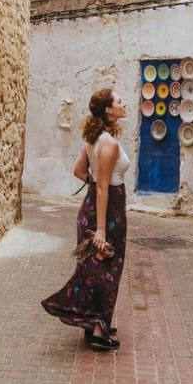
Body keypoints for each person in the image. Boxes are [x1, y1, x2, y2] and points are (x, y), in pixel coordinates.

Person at [41, 88, 129, 350]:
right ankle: (100, 333)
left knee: (94, 268)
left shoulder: (94, 140)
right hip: (107, 209)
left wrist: (93, 185)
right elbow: (104, 187)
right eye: (118, 101)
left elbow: (79, 171)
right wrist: (101, 229)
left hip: (90, 207)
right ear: (108, 111)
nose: (123, 103)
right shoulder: (109, 144)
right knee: (108, 267)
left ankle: (94, 324)